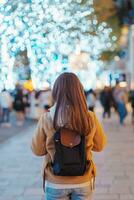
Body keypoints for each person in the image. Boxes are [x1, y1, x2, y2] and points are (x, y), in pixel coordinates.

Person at [31, 72, 106, 200]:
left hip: (55, 180)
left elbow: (37, 150)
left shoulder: (47, 118)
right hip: (83, 179)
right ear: (79, 91)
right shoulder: (90, 118)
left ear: (56, 92)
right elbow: (99, 146)